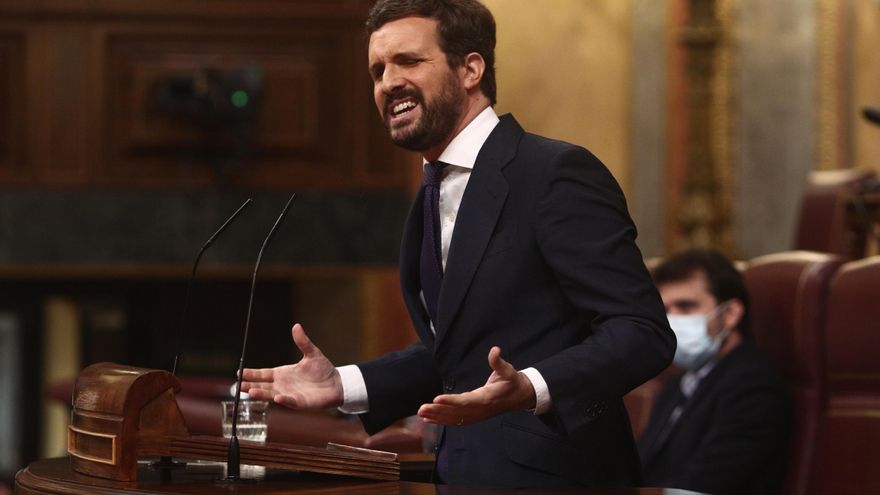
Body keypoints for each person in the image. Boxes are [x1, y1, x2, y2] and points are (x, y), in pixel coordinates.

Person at [242, 0, 674, 487]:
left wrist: (531, 387)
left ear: (470, 68)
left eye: (408, 61)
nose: (388, 83)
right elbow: (458, 355)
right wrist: (342, 383)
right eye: (377, 70)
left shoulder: (553, 173)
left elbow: (641, 332)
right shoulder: (431, 193)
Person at [637, 249, 790, 495]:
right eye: (665, 310)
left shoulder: (753, 387)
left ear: (730, 314)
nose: (672, 321)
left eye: (686, 307)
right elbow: (641, 469)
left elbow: (706, 485)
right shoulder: (676, 386)